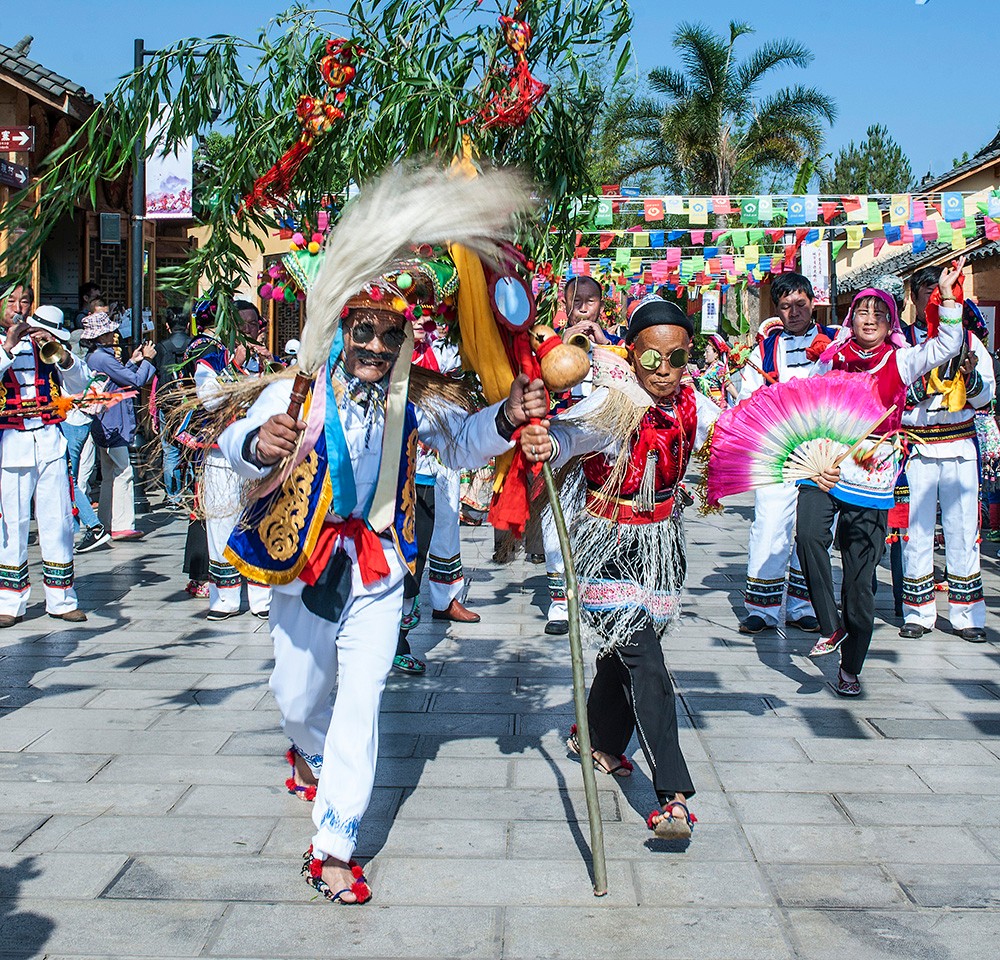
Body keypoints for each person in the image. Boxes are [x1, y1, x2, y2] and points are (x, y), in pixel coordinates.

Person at [218, 267, 545, 903]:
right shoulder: (299, 391)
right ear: (342, 330)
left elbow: (463, 443)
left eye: (389, 334)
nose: (375, 345)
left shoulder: (412, 401)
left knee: (362, 701)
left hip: (379, 567)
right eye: (363, 331)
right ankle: (305, 749)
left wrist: (505, 416)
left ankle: (334, 845)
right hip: (305, 561)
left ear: (403, 341)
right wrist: (258, 443)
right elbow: (234, 441)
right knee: (296, 697)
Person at [520, 294, 721, 840]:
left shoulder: (693, 406)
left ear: (688, 358)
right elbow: (565, 435)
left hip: (660, 546)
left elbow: (729, 447)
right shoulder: (611, 406)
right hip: (608, 546)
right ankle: (673, 796)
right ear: (632, 355)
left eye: (676, 359)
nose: (663, 371)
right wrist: (545, 437)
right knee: (648, 665)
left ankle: (599, 742)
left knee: (627, 653)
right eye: (651, 359)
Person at [796, 260, 966, 696]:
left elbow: (948, 344)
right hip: (826, 461)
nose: (868, 320)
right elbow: (806, 403)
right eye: (861, 313)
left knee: (860, 584)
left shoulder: (902, 360)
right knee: (808, 535)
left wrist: (947, 296)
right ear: (850, 319)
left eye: (878, 314)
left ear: (890, 321)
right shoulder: (830, 360)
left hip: (871, 474)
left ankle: (850, 666)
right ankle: (829, 626)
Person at [897, 266, 994, 642]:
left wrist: (970, 380)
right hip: (918, 446)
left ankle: (967, 614)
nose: (936, 296)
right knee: (916, 532)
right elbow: (889, 395)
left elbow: (987, 396)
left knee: (962, 531)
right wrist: (918, 389)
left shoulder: (970, 340)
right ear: (914, 297)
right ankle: (918, 612)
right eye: (928, 289)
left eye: (945, 289)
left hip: (959, 445)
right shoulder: (902, 341)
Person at [736, 274, 836, 635]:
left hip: (821, 452)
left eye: (800, 304)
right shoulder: (762, 350)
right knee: (769, 525)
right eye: (785, 306)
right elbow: (747, 398)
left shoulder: (835, 343)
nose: (794, 312)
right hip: (777, 450)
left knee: (810, 530)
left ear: (813, 302)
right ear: (775, 309)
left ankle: (802, 605)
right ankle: (761, 609)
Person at [0, 286, 90, 626]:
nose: (19, 308)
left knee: (59, 521)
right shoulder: (2, 343)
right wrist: (9, 345)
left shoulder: (45, 341)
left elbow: (80, 385)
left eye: (25, 301)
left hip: (50, 440)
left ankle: (62, 598)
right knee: (13, 523)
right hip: (11, 443)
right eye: (11, 302)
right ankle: (9, 602)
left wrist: (64, 357)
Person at [193, 301, 272, 620]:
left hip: (260, 454)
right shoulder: (210, 362)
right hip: (221, 454)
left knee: (260, 520)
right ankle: (224, 598)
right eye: (242, 325)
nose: (249, 330)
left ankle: (262, 597)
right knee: (222, 521)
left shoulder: (269, 362)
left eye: (254, 324)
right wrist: (233, 367)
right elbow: (210, 401)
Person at [83, 312, 156, 540]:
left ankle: (106, 520)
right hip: (112, 420)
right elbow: (133, 381)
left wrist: (132, 363)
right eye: (109, 333)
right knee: (123, 471)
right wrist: (147, 361)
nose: (114, 335)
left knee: (108, 474)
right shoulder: (102, 358)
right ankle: (122, 523)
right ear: (101, 336)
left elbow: (119, 377)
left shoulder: (96, 357)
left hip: (106, 420)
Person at [153, 311, 193, 507]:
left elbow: (155, 377)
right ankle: (194, 492)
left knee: (170, 451)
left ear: (168, 327)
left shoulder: (161, 347)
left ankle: (173, 497)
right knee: (194, 450)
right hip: (191, 404)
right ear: (187, 326)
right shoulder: (193, 345)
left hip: (167, 404)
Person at [697, 333, 736, 409]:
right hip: (708, 408)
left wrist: (740, 400)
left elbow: (728, 386)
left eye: (707, 352)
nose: (704, 355)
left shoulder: (718, 369)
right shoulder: (710, 369)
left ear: (716, 354)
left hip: (717, 409)